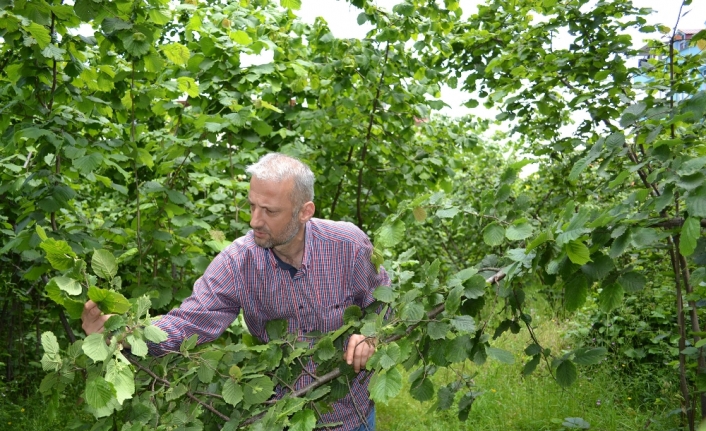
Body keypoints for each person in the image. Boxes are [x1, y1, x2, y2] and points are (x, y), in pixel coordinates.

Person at [82, 153, 390, 431]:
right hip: (279, 414)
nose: (255, 220)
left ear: (304, 211)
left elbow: (382, 299)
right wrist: (123, 332)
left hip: (351, 412)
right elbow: (189, 322)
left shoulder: (348, 245)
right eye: (253, 205)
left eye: (269, 211)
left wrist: (371, 335)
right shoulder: (238, 262)